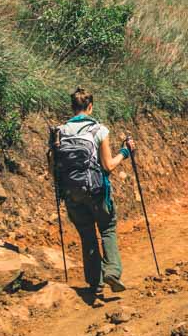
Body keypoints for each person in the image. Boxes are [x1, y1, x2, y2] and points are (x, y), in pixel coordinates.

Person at [51, 88, 132, 303]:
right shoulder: (99, 130)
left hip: (71, 194)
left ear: (72, 107)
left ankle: (96, 287)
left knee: (87, 237)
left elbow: (53, 166)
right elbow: (108, 166)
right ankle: (112, 272)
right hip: (97, 192)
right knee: (107, 228)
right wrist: (125, 152)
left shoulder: (59, 132)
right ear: (90, 107)